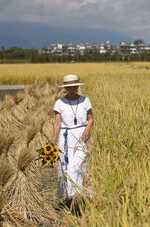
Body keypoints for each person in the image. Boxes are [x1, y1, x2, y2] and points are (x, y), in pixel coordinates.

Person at [51, 74, 93, 209]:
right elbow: (57, 124)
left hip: (82, 137)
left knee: (79, 166)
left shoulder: (85, 100)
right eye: (69, 87)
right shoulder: (59, 103)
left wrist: (87, 129)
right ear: (65, 88)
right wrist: (52, 143)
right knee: (66, 167)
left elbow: (90, 119)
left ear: (77, 87)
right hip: (65, 138)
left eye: (74, 86)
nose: (72, 89)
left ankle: (81, 195)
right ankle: (71, 197)